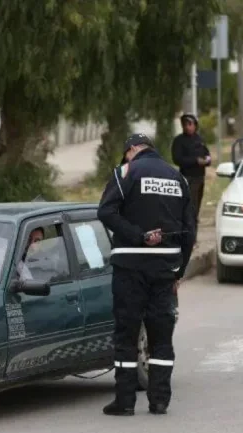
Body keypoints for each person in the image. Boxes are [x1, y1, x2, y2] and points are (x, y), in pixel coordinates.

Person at [98, 133, 196, 416]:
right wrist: (180, 269)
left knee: (126, 336)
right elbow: (189, 230)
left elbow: (105, 211)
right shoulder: (177, 178)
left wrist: (136, 236)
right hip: (165, 269)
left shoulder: (127, 171)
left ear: (131, 151)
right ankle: (160, 400)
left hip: (129, 267)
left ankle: (125, 402)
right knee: (161, 338)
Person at [170, 114, 211, 224]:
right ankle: (190, 234)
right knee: (190, 208)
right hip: (187, 178)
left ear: (195, 125)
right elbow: (177, 159)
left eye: (190, 124)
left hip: (200, 178)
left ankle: (192, 231)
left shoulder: (200, 139)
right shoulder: (179, 140)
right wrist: (195, 161)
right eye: (185, 124)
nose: (187, 127)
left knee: (196, 207)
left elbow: (207, 155)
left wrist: (207, 160)